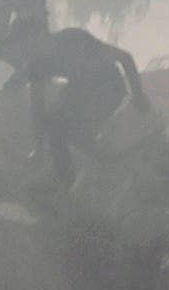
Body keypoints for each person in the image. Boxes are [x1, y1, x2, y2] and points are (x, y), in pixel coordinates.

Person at [18, 26, 147, 182]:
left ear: (44, 35)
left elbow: (125, 57)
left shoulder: (74, 39)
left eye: (34, 45)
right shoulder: (36, 64)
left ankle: (110, 160)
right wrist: (38, 147)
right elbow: (37, 106)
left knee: (75, 127)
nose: (33, 52)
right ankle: (68, 182)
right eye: (28, 48)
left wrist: (138, 95)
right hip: (79, 89)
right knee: (54, 123)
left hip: (109, 86)